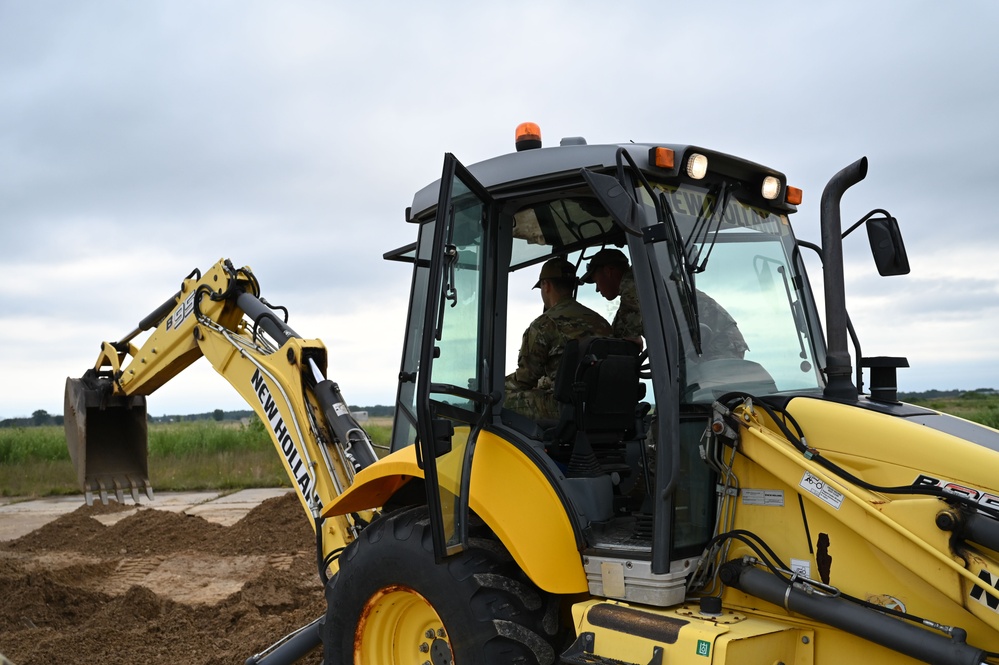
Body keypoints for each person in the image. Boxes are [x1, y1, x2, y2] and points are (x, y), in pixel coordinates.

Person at [581, 247, 748, 358]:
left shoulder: (634, 285)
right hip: (718, 339)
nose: (597, 289)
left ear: (610, 271)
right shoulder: (642, 279)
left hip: (717, 341)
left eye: (596, 281)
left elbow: (621, 339)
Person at [504, 257, 612, 421]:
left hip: (566, 407)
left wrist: (494, 385)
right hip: (603, 404)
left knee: (499, 401)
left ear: (546, 285)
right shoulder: (602, 322)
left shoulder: (545, 324)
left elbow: (525, 379)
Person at [580, 248, 642, 345]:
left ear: (608, 271)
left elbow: (627, 341)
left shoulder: (631, 288)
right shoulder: (639, 279)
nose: (597, 289)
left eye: (596, 281)